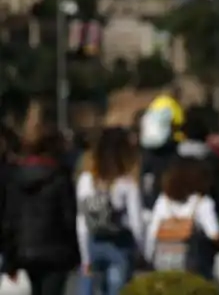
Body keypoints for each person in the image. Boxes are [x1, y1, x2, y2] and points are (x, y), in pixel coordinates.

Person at [1, 116, 79, 295]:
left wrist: (9, 259)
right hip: (56, 252)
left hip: (24, 251)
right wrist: (75, 255)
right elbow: (68, 217)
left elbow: (9, 219)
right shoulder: (60, 176)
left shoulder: (14, 177)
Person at [76, 127, 144, 295]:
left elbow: (81, 221)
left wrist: (85, 257)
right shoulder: (127, 184)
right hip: (119, 244)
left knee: (88, 289)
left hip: (93, 242)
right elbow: (137, 224)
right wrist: (140, 251)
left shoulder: (86, 180)